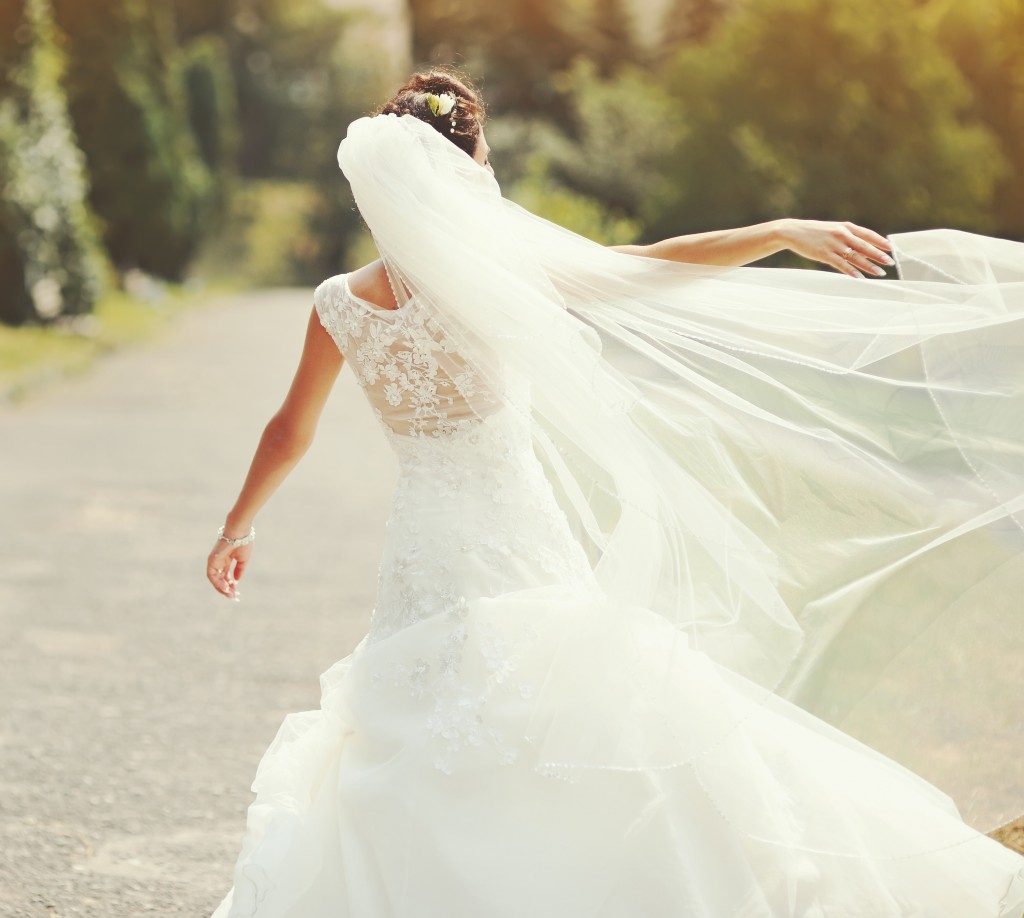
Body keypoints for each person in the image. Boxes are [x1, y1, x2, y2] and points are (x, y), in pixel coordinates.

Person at [208, 68, 1024, 916]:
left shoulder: (340, 303)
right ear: (465, 167)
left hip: (426, 545)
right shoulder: (497, 271)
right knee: (580, 710)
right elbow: (646, 264)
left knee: (421, 726)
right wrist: (778, 230)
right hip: (514, 532)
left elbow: (285, 432)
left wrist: (239, 526)